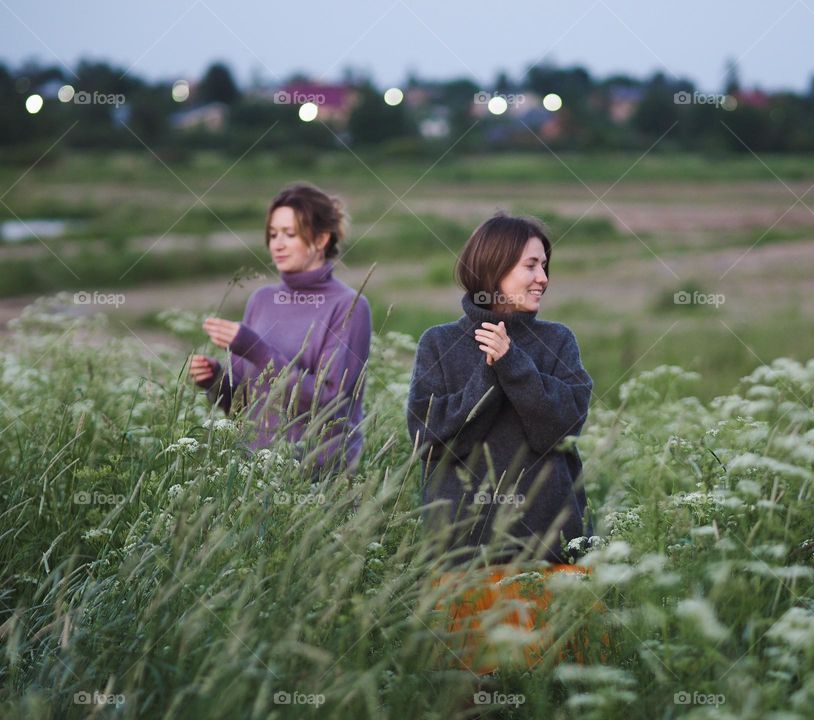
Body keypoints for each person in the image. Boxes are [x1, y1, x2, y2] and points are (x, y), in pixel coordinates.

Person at [406, 212, 593, 567]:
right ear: (495, 269)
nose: (543, 278)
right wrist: (488, 375)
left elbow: (560, 432)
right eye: (531, 265)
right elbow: (428, 442)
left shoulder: (558, 340)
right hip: (460, 552)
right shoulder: (439, 342)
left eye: (545, 266)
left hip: (550, 549)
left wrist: (514, 363)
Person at [188, 183, 372, 480]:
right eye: (273, 234)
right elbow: (240, 406)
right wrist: (214, 380)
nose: (277, 244)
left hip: (317, 476)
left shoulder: (349, 306)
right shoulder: (261, 300)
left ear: (321, 239)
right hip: (252, 475)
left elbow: (330, 402)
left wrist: (253, 348)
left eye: (290, 234)